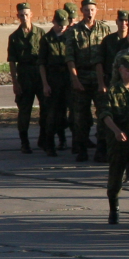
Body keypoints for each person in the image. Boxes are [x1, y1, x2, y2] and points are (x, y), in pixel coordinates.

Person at [69, 0, 114, 163]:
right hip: (82, 76)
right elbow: (70, 58)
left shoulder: (104, 29)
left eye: (92, 10)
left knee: (103, 113)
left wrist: (104, 82)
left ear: (96, 11)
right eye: (87, 10)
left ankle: (101, 148)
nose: (90, 13)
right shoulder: (74, 31)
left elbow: (107, 56)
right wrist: (75, 79)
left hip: (99, 77)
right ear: (82, 11)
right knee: (80, 116)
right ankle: (81, 148)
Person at [100, 53, 129, 226]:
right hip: (118, 142)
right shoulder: (112, 91)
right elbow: (105, 114)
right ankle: (114, 210)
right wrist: (116, 131)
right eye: (127, 70)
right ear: (120, 70)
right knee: (115, 178)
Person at [7, 3, 46, 154]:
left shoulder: (40, 33)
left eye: (26, 14)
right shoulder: (14, 37)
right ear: (18, 16)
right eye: (21, 15)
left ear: (31, 15)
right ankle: (24, 142)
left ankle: (44, 138)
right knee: (24, 111)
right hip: (24, 75)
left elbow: (45, 56)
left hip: (39, 74)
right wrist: (15, 82)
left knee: (46, 109)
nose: (24, 17)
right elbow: (12, 61)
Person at [38, 9, 74, 157]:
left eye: (65, 25)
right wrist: (45, 84)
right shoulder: (46, 39)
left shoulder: (70, 38)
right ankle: (49, 144)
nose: (62, 27)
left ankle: (67, 140)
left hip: (68, 79)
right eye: (60, 24)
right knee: (52, 114)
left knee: (70, 113)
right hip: (53, 80)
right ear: (54, 22)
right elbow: (41, 64)